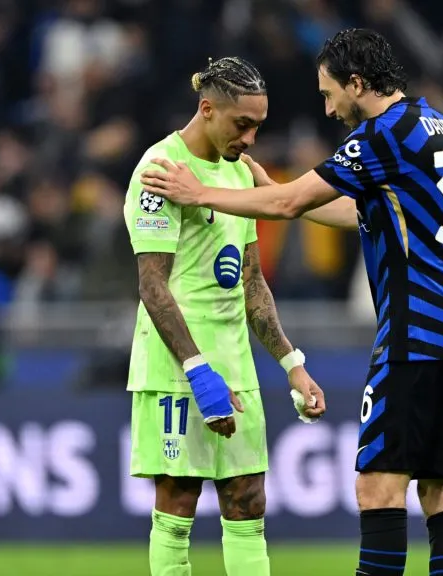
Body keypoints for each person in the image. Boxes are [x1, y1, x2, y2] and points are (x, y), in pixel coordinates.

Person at [142, 29, 443, 576]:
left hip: (414, 337)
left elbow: (286, 201)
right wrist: (271, 192)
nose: (328, 108)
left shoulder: (382, 135)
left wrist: (200, 192)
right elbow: (361, 213)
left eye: (330, 93)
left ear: (357, 82)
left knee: (377, 486)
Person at [124, 57, 327, 576]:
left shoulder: (241, 175)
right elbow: (152, 285)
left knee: (247, 502)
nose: (253, 139)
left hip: (236, 363)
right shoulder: (161, 170)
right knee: (178, 500)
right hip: (176, 367)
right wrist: (198, 371)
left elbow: (252, 284)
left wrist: (292, 363)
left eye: (259, 126)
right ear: (207, 109)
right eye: (243, 125)